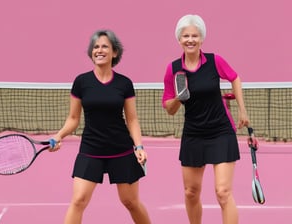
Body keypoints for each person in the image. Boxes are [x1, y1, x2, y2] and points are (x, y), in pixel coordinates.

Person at [49, 29, 151, 224]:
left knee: (130, 201)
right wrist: (59, 136)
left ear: (114, 52)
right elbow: (73, 118)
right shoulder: (81, 82)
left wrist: (138, 146)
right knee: (78, 200)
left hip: (120, 149)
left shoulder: (124, 83)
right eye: (96, 47)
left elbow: (132, 119)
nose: (99, 50)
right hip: (91, 149)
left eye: (105, 46)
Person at [162, 14, 252, 224]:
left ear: (201, 38)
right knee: (191, 192)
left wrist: (242, 110)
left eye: (195, 35)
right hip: (193, 134)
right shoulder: (173, 69)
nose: (190, 40)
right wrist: (178, 96)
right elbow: (169, 108)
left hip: (221, 131)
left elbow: (234, 77)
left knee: (223, 192)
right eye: (186, 36)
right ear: (179, 39)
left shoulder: (214, 61)